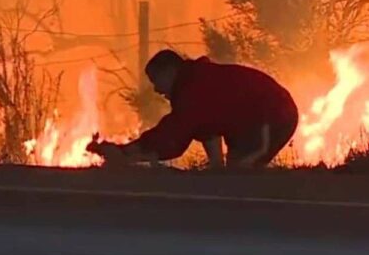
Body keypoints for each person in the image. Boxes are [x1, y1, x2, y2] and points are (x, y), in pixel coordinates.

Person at [88, 49, 298, 169]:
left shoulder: (194, 89)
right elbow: (207, 129)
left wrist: (125, 154)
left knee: (239, 174)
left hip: (273, 115)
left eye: (156, 80)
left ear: (170, 71)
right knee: (231, 173)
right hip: (258, 118)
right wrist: (216, 166)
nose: (155, 89)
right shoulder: (196, 83)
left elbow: (172, 136)